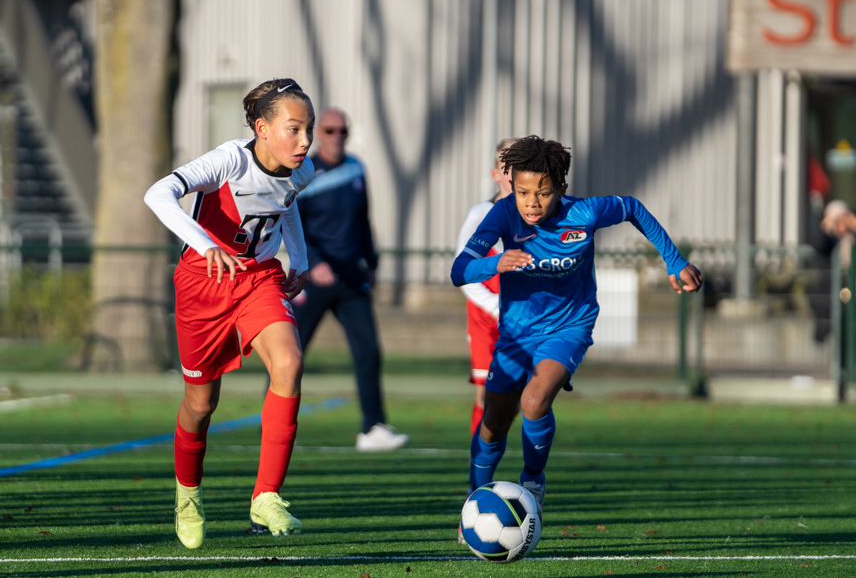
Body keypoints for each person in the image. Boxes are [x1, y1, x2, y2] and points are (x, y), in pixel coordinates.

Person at [450, 136, 702, 533]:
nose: (532, 202)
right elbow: (459, 270)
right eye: (523, 192)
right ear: (511, 186)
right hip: (515, 333)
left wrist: (674, 260)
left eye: (544, 193)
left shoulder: (584, 213)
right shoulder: (501, 215)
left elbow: (632, 208)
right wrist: (496, 262)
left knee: (534, 401)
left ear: (561, 190)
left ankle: (533, 481)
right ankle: (475, 500)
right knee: (493, 424)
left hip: (569, 325)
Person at [144, 78, 315, 548]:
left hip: (258, 278)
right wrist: (206, 246)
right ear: (262, 128)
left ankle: (266, 495)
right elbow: (157, 194)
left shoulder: (304, 169)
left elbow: (288, 204)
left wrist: (297, 259)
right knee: (200, 406)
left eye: (310, 130)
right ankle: (187, 494)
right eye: (294, 129)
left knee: (289, 364)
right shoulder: (229, 160)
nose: (305, 142)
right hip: (202, 282)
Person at [291, 107, 409, 451]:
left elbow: (363, 221)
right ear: (316, 133)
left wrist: (371, 261)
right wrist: (312, 263)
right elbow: (292, 224)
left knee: (369, 351)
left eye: (342, 131)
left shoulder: (356, 168)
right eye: (329, 131)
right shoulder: (303, 172)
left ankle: (372, 428)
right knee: (290, 354)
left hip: (351, 279)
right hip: (314, 280)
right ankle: (278, 425)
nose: (336, 137)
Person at [454, 138, 516, 435]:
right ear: (496, 174)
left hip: (522, 318)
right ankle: (477, 471)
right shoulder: (481, 213)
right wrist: (494, 307)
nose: (515, 174)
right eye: (508, 167)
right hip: (485, 317)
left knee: (520, 398)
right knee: (486, 393)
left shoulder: (540, 217)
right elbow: (461, 269)